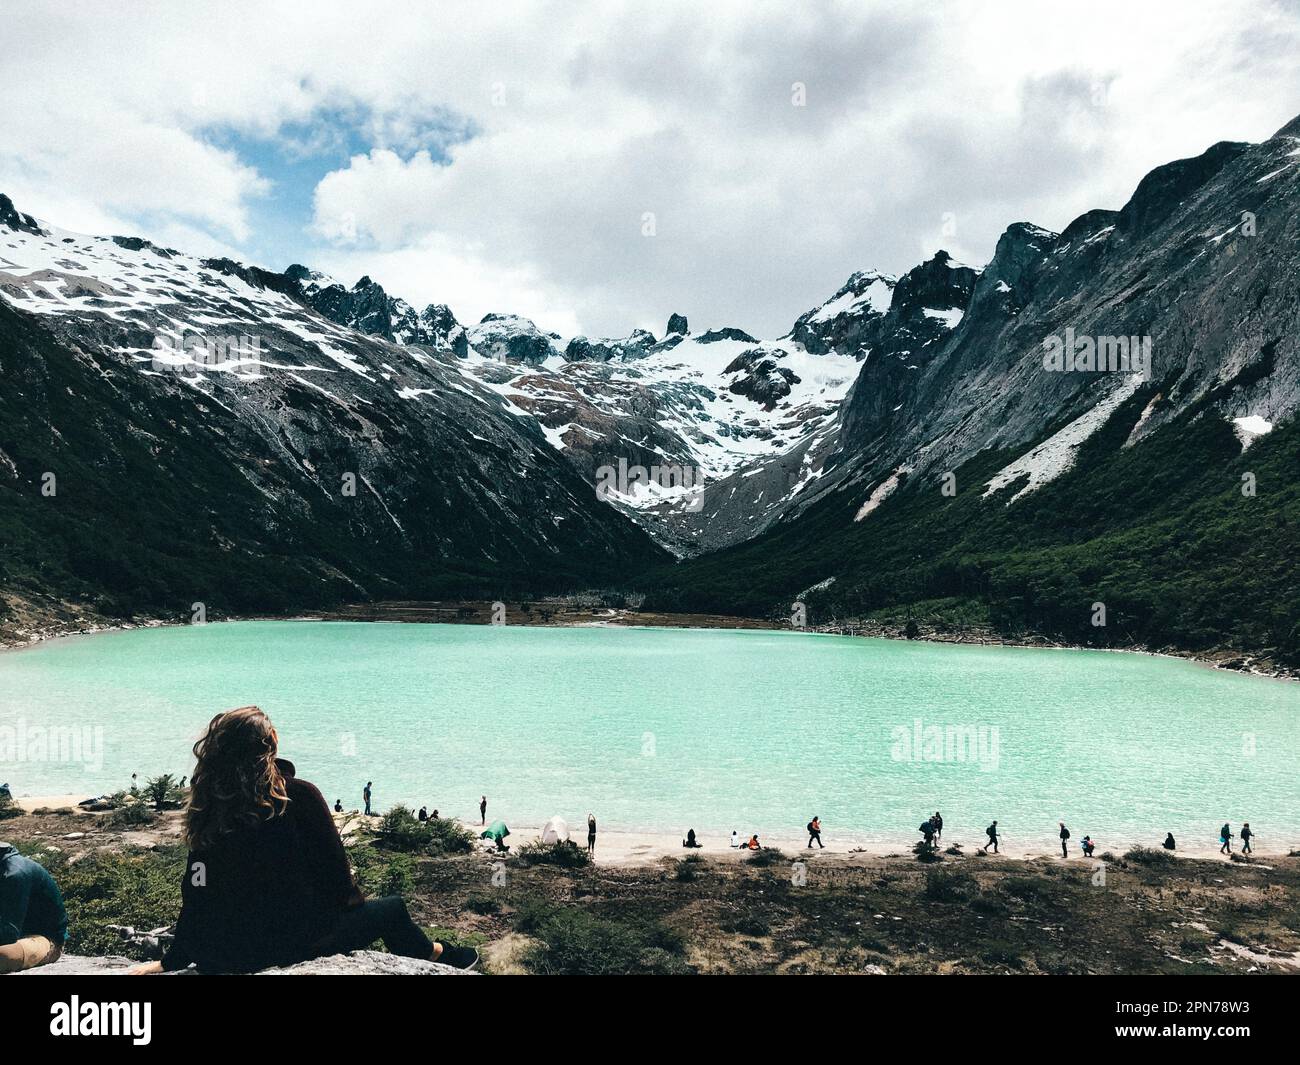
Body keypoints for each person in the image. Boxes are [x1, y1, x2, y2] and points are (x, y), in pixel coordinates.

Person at [129, 706, 477, 974]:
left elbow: (196, 894)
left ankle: (434, 953)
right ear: (270, 746)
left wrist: (173, 960)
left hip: (226, 952)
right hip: (287, 947)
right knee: (392, 909)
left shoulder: (209, 808)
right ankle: (435, 955)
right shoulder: (297, 796)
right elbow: (338, 883)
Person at [0, 840, 68, 972]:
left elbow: (9, 933)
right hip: (17, 935)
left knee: (3, 956)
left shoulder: (14, 874)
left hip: (44, 938)